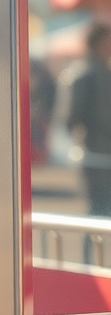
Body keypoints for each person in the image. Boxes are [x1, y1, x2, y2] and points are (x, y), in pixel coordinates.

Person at [60, 22, 111, 216]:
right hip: (93, 155)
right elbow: (70, 117)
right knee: (98, 213)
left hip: (96, 153)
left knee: (99, 214)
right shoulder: (82, 74)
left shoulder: (93, 72)